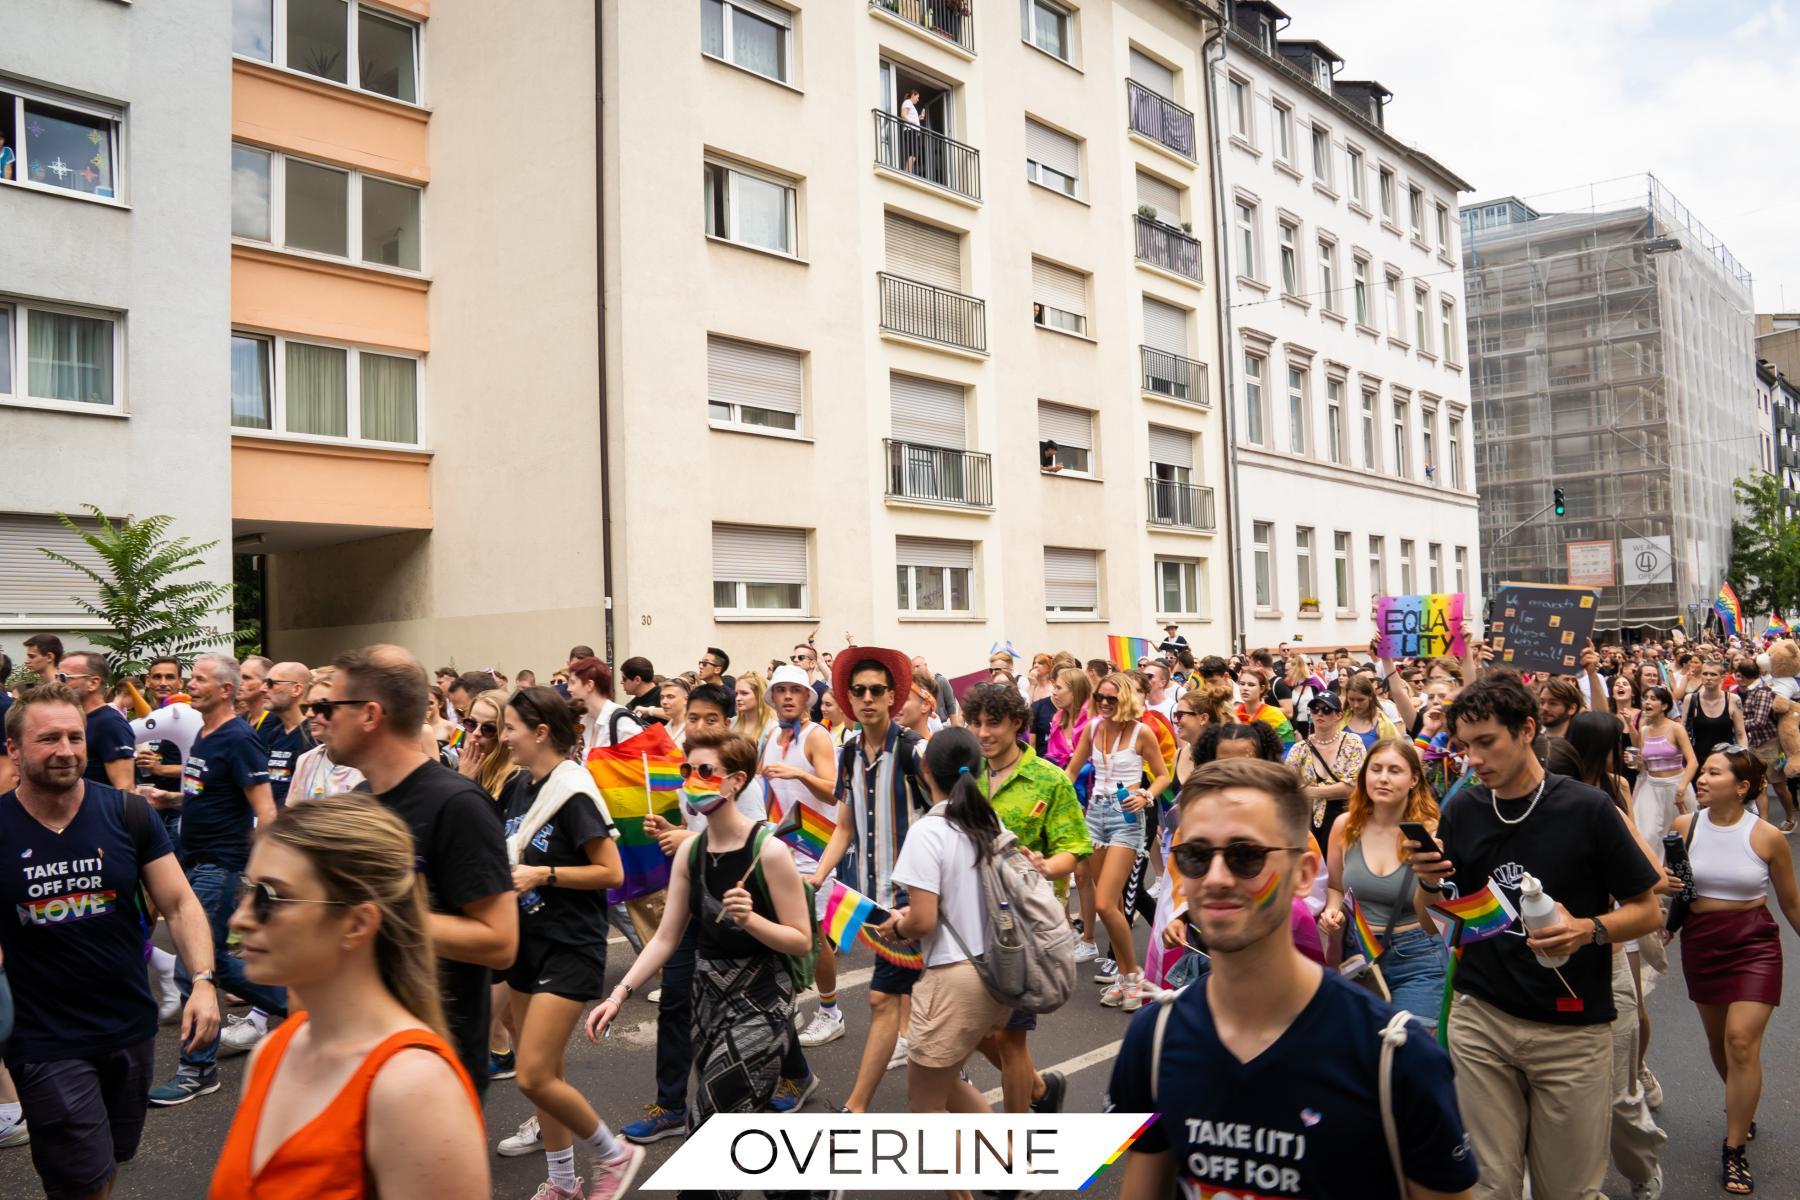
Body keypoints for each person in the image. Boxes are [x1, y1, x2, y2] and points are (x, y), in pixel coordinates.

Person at [1108, 758, 1478, 1200]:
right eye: (1196, 856)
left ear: (1303, 875)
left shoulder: (1394, 1058)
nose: (1217, 877)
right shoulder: (1154, 1039)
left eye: (1247, 856)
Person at [1411, 671, 1664, 1200]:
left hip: (1570, 1031)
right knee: (1487, 1187)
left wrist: (1587, 930)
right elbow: (1441, 919)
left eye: (1486, 743)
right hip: (1481, 1019)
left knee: (1568, 1191)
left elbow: (1647, 912)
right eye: (1464, 746)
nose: (1473, 759)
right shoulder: (1463, 808)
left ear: (1527, 729)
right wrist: (1430, 884)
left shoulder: (1588, 809)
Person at [204, 796, 490, 1200]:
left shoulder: (414, 1089)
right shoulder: (275, 1050)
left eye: (270, 897)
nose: (240, 919)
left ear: (357, 923)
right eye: (246, 891)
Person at [0, 684, 221, 1200]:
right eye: (48, 738)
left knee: (108, 1161)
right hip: (44, 1037)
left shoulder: (128, 813)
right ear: (13, 749)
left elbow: (181, 904)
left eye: (75, 737)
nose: (67, 750)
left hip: (130, 1025)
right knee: (79, 1178)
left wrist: (205, 983)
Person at [585, 733, 812, 1187]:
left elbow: (801, 940)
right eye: (687, 771)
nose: (692, 780)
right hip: (707, 1001)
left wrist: (752, 921)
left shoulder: (769, 851)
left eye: (705, 772)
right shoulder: (691, 851)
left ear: (735, 782)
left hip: (760, 1002)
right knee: (747, 1115)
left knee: (712, 1122)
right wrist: (618, 993)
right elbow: (666, 938)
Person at [318, 646, 518, 1096]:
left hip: (432, 1064)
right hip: (360, 1047)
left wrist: (373, 915)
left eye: (330, 706)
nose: (321, 717)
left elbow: (500, 943)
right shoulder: (359, 803)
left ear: (370, 714)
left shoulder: (458, 806)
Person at [493, 687, 643, 1199]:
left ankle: (614, 1154)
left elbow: (611, 871)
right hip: (525, 943)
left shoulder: (573, 792)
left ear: (539, 732)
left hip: (571, 946)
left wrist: (542, 874)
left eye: (510, 727)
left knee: (533, 1074)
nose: (503, 737)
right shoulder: (518, 787)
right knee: (547, 1073)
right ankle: (563, 1183)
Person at [136, 653, 284, 1105]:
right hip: (193, 859)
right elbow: (207, 796)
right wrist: (168, 798)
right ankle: (302, 1004)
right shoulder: (205, 732)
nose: (190, 685)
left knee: (195, 965)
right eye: (191, 678)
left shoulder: (240, 738)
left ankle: (196, 1070)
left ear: (226, 690)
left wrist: (260, 873)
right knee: (210, 956)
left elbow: (265, 809)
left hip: (220, 865)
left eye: (200, 680)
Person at [1671, 747, 1800, 1194]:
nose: (1701, 779)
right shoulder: (1683, 828)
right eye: (1701, 771)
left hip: (1754, 943)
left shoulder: (1767, 837)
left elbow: (1792, 904)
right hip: (1702, 943)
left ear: (1742, 787)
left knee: (1740, 1042)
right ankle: (1743, 1107)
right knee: (1720, 1045)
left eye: (1712, 772)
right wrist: (1662, 886)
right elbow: (1667, 891)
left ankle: (1733, 1150)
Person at [880, 728, 1008, 1176]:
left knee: (925, 1101)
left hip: (952, 976)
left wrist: (897, 925)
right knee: (946, 1081)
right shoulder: (991, 824)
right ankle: (1012, 1165)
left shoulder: (928, 831)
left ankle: (999, 1177)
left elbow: (923, 920)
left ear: (924, 772)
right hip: (996, 972)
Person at [959, 684, 1089, 1116]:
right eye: (975, 722)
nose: (982, 732)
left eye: (992, 722)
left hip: (1021, 927)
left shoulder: (1048, 779)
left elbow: (1073, 848)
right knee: (974, 1030)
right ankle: (1039, 1090)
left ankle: (1016, 1147)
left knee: (1011, 1038)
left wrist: (1045, 866)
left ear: (1017, 723)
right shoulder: (962, 774)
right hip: (965, 922)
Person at [814, 647, 931, 1113]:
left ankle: (856, 1106)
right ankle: (1034, 1090)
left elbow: (950, 820)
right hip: (873, 900)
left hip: (915, 903)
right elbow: (844, 828)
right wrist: (817, 878)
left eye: (876, 691)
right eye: (857, 691)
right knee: (915, 1000)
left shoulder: (914, 751)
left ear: (892, 696)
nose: (866, 699)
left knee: (886, 997)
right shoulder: (847, 753)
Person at [1317, 737, 1446, 1025]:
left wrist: (1431, 878)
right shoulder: (1345, 826)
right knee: (1363, 1055)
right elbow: (1336, 887)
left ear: (1414, 779)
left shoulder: (1430, 832)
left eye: (1395, 770)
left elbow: (1440, 915)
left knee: (1407, 1052)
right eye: (1376, 769)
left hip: (1418, 956)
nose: (1383, 778)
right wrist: (1332, 913)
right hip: (1360, 954)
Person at [758, 664, 849, 1055]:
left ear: (807, 698)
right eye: (782, 691)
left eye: (796, 690)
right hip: (780, 845)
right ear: (774, 698)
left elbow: (834, 791)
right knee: (779, 929)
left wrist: (798, 774)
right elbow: (766, 792)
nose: (789, 696)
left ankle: (831, 1012)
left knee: (813, 935)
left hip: (816, 846)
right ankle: (789, 1004)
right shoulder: (769, 735)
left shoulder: (817, 736)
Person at [1065, 672, 1169, 1011]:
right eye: (1100, 697)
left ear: (1125, 699)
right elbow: (1071, 771)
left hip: (1127, 817)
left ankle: (1132, 978)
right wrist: (1055, 801)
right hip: (1095, 815)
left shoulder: (1143, 732)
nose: (1105, 703)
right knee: (1101, 904)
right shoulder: (1093, 728)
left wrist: (1147, 795)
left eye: (1112, 698)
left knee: (1108, 903)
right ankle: (1128, 975)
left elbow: (1164, 775)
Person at [1284, 692, 1365, 846]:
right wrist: (1334, 790)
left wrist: (1310, 791)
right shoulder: (1299, 749)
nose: (1320, 713)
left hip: (1347, 819)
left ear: (1338, 715)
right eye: (1315, 709)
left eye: (1327, 709)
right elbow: (1288, 788)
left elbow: (1354, 786)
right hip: (1309, 825)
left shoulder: (1353, 743)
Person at [1630, 684, 1696, 855]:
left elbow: (1693, 762)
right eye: (1645, 699)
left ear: (1665, 706)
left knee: (1676, 834)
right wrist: (1637, 762)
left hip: (1675, 786)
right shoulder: (1644, 730)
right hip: (1650, 787)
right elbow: (1643, 766)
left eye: (1653, 699)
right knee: (1646, 833)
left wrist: (1682, 786)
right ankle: (1655, 873)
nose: (1647, 702)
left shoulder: (1676, 728)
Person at [57, 651, 136, 790]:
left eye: (65, 677)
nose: (58, 683)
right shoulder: (75, 719)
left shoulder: (110, 723)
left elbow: (125, 789)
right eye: (56, 677)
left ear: (93, 683)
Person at [1737, 656, 1795, 829]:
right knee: (1760, 786)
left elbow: (1759, 721)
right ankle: (1764, 822)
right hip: (1755, 743)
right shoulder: (1751, 690)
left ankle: (1791, 818)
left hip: (1768, 744)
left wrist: (1737, 724)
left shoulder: (1761, 692)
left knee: (1779, 787)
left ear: (1743, 675)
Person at [288, 674, 364, 802]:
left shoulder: (370, 764)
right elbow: (293, 816)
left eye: (320, 707)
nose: (309, 714)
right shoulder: (306, 761)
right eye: (306, 707)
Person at [261, 662, 314, 807]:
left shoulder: (312, 736)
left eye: (271, 683)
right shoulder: (274, 733)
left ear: (296, 689)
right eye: (264, 682)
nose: (263, 689)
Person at [732, 671, 776, 743]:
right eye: (736, 694)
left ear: (759, 695)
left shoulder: (772, 728)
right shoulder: (732, 723)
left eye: (744, 693)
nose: (738, 698)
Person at [617, 657, 663, 725]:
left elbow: (680, 714)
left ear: (637, 680)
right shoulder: (631, 706)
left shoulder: (663, 696)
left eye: (624, 679)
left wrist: (649, 711)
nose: (621, 682)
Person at [696, 648, 735, 718]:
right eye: (701, 663)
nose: (700, 666)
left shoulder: (730, 695)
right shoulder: (697, 692)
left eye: (705, 664)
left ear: (717, 670)